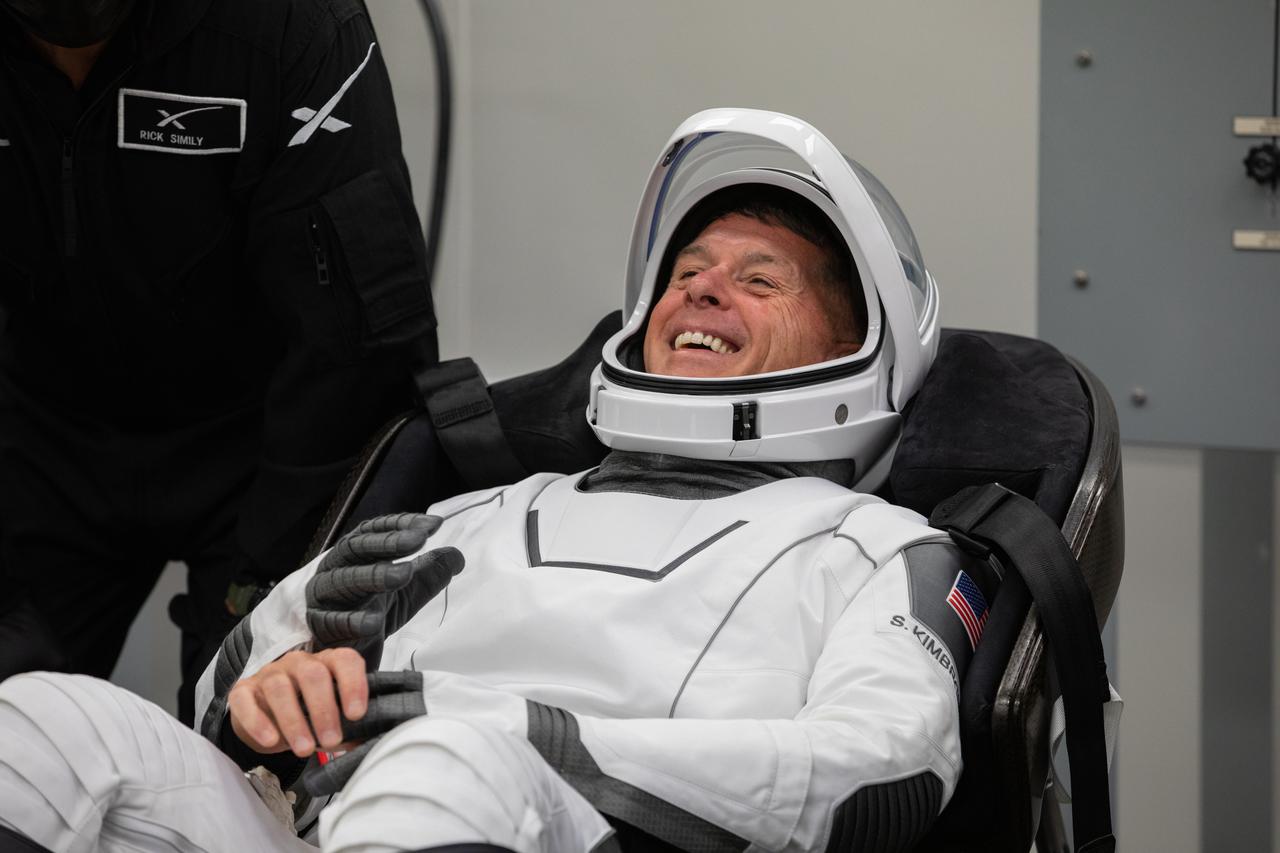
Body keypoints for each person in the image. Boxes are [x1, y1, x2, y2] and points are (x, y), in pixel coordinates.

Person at [0, 109, 991, 853]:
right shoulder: (471, 514)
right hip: (326, 818)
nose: (700, 287)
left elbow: (884, 773)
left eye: (758, 279)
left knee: (438, 765)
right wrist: (269, 688)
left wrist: (538, 737)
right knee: (42, 720)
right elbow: (223, 704)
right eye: (687, 269)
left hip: (594, 826)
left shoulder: (877, 550)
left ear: (861, 347)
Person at [0, 0, 439, 723]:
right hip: (42, 431)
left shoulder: (295, 23)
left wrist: (280, 588)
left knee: (253, 753)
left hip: (267, 444)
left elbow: (359, 345)